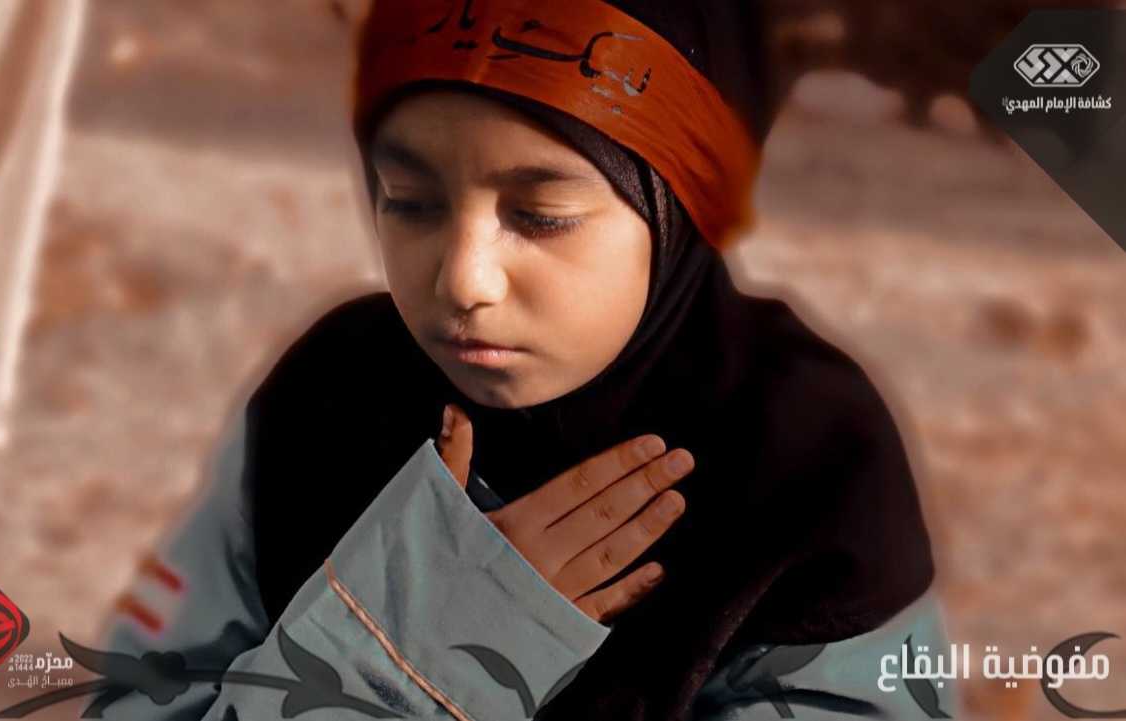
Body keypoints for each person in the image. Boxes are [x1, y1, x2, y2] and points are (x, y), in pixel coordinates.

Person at [96, 1, 961, 719]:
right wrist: (398, 657)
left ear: (679, 203)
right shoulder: (327, 396)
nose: (462, 279)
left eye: (541, 215)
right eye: (411, 201)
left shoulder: (806, 458)